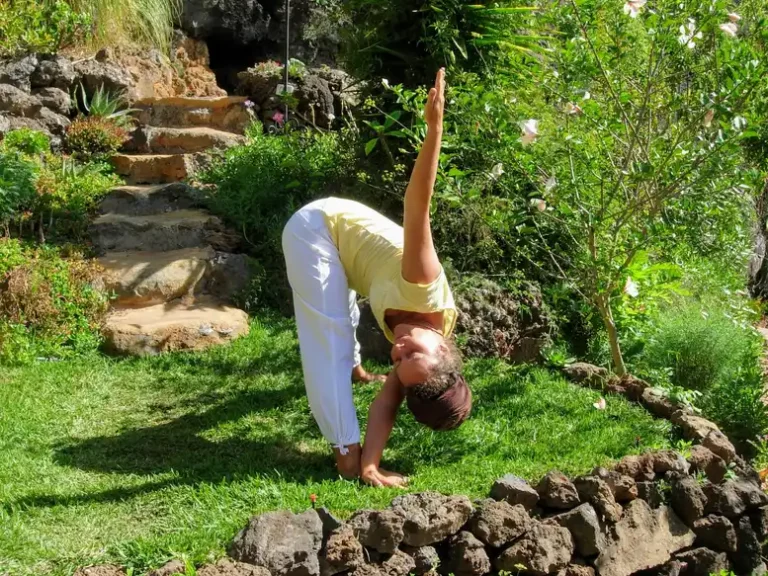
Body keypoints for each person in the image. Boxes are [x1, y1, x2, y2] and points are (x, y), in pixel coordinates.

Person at [282, 69, 471, 488]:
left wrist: (374, 464)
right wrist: (434, 128)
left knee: (345, 304)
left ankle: (354, 372)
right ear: (443, 344)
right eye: (412, 353)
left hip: (346, 257)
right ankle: (342, 451)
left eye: (398, 363)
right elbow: (418, 204)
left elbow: (387, 402)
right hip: (315, 228)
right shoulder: (423, 283)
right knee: (326, 335)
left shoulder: (421, 367)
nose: (399, 351)